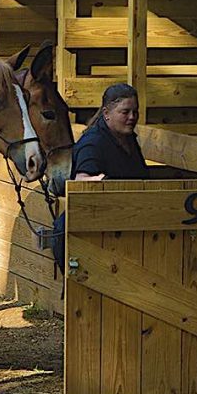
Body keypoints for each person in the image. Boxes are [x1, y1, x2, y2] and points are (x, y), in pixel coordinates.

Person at [52, 83, 149, 273]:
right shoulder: (93, 143)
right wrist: (104, 182)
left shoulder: (128, 139)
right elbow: (81, 181)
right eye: (125, 112)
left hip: (127, 221)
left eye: (135, 112)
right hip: (94, 229)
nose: (132, 117)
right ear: (106, 113)